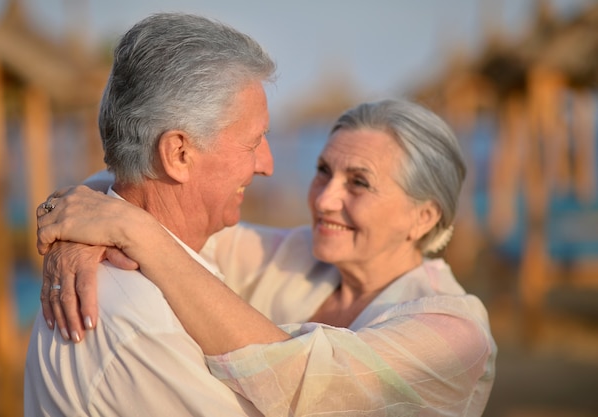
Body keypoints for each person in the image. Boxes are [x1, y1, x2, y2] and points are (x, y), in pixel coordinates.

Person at [37, 99, 497, 416]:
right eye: (322, 172)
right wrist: (83, 222)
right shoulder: (293, 256)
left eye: (359, 182)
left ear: (423, 217)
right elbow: (159, 206)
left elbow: (316, 389)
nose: (324, 199)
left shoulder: (455, 332)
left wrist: (127, 229)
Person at [24, 12, 277, 416]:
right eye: (253, 142)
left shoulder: (162, 274)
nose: (267, 164)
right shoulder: (141, 325)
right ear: (179, 154)